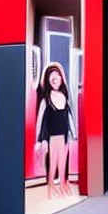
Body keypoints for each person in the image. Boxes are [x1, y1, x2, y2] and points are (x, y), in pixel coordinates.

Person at [35, 63, 77, 199]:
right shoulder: (46, 100)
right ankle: (51, 187)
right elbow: (40, 121)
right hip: (52, 136)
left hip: (64, 135)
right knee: (52, 162)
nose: (54, 79)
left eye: (57, 76)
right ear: (47, 80)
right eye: (51, 77)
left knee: (63, 161)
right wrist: (40, 140)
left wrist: (73, 133)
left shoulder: (65, 97)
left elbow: (68, 117)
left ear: (61, 78)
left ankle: (63, 185)